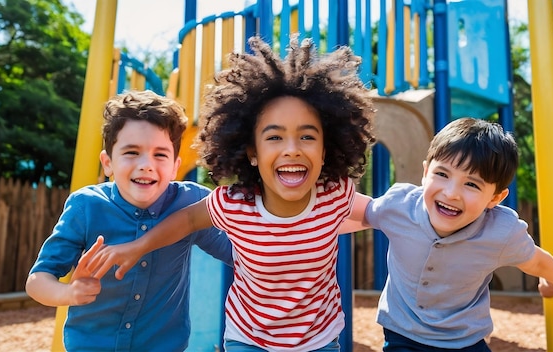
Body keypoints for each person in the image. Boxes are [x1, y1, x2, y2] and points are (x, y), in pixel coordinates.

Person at [85, 35, 376, 352]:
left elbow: (379, 213)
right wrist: (138, 246)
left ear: (324, 150)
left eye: (307, 136)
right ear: (252, 151)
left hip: (317, 340)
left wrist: (426, 209)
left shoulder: (334, 196)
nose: (291, 150)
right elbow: (187, 221)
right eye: (274, 137)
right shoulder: (234, 204)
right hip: (249, 339)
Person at [25, 90, 233, 351]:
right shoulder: (86, 206)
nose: (146, 164)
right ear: (108, 163)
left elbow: (238, 254)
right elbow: (38, 280)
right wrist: (68, 294)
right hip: (92, 346)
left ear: (175, 167)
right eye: (132, 152)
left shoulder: (192, 205)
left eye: (160, 155)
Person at [347, 117, 553, 351]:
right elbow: (354, 209)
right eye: (442, 174)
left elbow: (536, 261)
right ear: (426, 173)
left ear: (495, 198)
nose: (451, 193)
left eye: (472, 185)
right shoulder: (400, 206)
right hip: (403, 334)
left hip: (464, 341)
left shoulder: (500, 231)